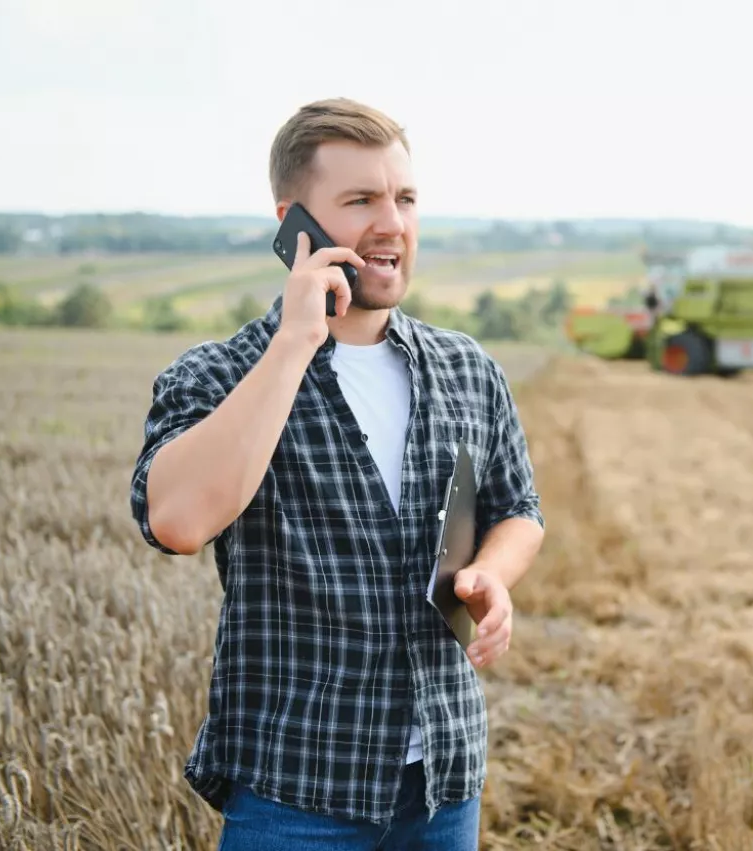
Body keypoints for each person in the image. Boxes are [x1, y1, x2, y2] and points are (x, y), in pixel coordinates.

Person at [128, 97, 545, 850]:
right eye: (361, 201)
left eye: (406, 198)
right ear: (294, 224)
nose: (393, 223)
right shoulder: (218, 374)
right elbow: (179, 522)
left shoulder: (467, 368)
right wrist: (295, 341)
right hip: (297, 792)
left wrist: (492, 572)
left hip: (444, 782)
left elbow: (520, 508)